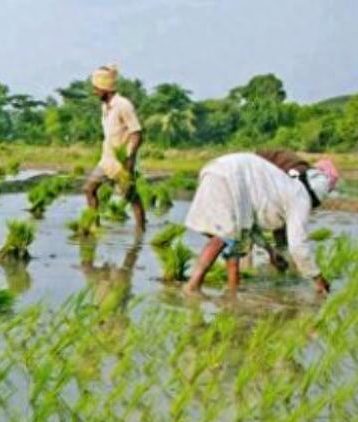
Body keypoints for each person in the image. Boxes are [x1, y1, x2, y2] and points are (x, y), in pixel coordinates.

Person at [183, 153, 339, 294]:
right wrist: (318, 279)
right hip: (230, 177)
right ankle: (193, 286)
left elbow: (251, 228)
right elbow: (298, 247)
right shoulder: (301, 198)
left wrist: (270, 252)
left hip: (216, 168)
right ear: (317, 196)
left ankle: (232, 290)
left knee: (234, 236)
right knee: (222, 236)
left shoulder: (285, 186)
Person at [83, 64, 147, 231]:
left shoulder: (123, 105)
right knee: (89, 188)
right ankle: (94, 224)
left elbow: (137, 133)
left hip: (121, 161)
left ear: (105, 88)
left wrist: (129, 159)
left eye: (96, 88)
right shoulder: (105, 106)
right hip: (107, 160)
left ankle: (140, 229)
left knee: (131, 196)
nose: (94, 91)